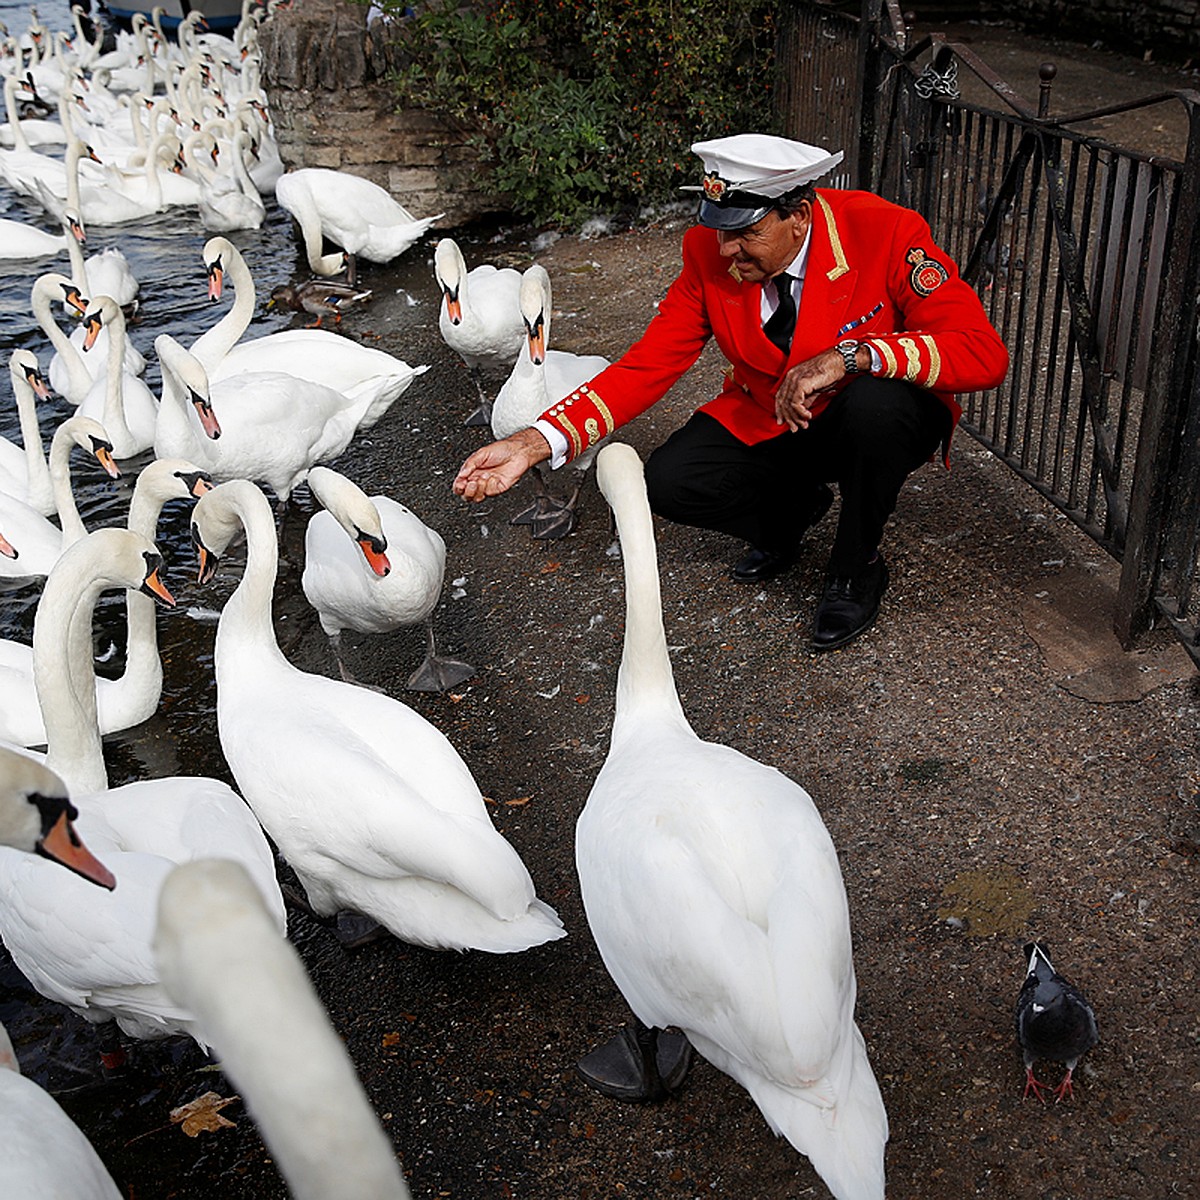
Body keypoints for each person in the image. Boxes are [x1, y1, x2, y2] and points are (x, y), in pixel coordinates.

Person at [453, 133, 1009, 649]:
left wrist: (854, 356)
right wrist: (532, 442)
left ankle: (854, 565)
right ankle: (792, 516)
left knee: (876, 409)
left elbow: (983, 354)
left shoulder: (884, 231)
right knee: (669, 480)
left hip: (872, 417)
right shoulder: (706, 253)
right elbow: (646, 365)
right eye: (723, 229)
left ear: (799, 215)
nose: (727, 251)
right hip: (771, 412)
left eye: (746, 233)